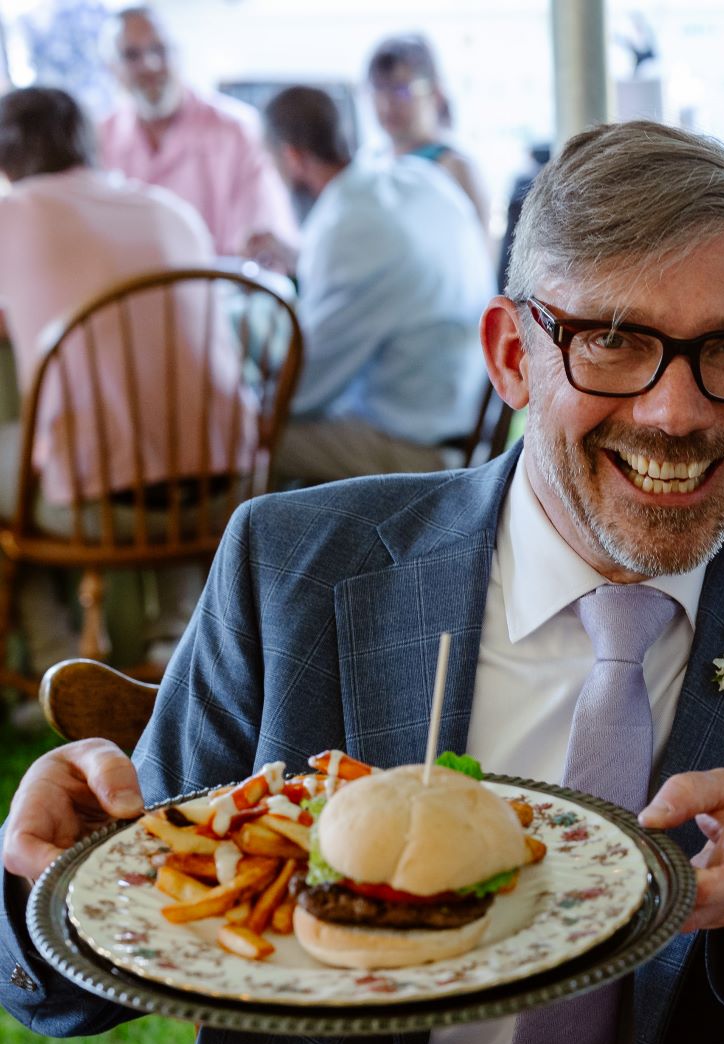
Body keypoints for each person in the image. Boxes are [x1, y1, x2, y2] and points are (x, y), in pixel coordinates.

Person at [0, 119, 724, 1044]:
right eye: (613, 342)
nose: (675, 411)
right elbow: (82, 976)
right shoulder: (293, 572)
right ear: (509, 355)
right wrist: (42, 884)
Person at [0, 86, 230, 675]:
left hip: (100, 502)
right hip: (217, 488)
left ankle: (53, 667)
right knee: (153, 430)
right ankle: (168, 640)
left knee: (28, 455)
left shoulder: (13, 213)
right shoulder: (167, 206)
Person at [248, 85, 491, 484]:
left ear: (291, 158)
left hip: (422, 448)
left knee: (245, 442)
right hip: (466, 417)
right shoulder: (416, 178)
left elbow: (303, 392)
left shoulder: (346, 226)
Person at [96, 5, 297, 258]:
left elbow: (261, 243)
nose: (150, 65)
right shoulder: (98, 141)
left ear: (179, 54)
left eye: (159, 49)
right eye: (132, 55)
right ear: (110, 67)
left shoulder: (237, 131)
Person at [366, 33, 491, 237]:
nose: (387, 104)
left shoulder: (455, 168)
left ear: (436, 93)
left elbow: (480, 259)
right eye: (379, 89)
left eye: (401, 91)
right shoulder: (371, 162)